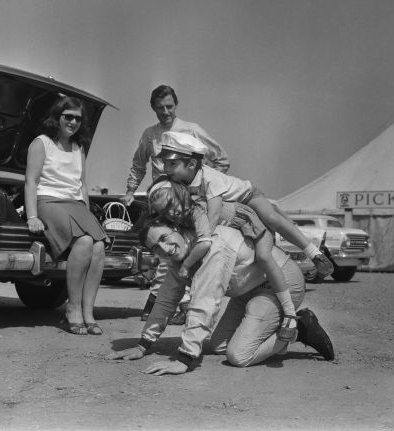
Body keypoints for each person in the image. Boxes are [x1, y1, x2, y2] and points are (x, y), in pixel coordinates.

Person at [156, 131, 334, 340]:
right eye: (165, 163)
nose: (165, 169)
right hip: (236, 216)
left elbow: (212, 219)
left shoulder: (209, 179)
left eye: (171, 164)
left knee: (269, 232)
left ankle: (310, 259)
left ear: (192, 165)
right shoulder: (180, 183)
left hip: (248, 198)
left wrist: (198, 245)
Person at [106, 214, 334, 375]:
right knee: (218, 346)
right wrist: (143, 345)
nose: (164, 249)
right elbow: (165, 300)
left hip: (281, 282)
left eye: (165, 238)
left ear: (178, 228)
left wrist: (185, 359)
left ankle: (300, 328)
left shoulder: (212, 245)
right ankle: (271, 325)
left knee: (239, 356)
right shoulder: (180, 257)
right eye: (156, 247)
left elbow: (204, 303)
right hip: (247, 291)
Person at [121, 85, 230, 324]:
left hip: (191, 203)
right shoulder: (150, 134)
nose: (166, 111)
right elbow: (139, 164)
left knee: (194, 250)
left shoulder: (192, 130)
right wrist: (130, 191)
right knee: (167, 252)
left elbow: (221, 158)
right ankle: (173, 305)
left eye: (169, 106)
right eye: (160, 108)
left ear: (176, 105)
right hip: (165, 204)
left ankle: (169, 305)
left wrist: (208, 187)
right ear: (153, 109)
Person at [25, 96, 107, 335]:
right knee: (83, 242)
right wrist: (32, 216)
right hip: (48, 201)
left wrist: (88, 214)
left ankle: (88, 311)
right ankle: (73, 308)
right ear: (57, 117)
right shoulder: (41, 143)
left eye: (77, 119)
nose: (73, 122)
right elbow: (31, 181)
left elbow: (82, 185)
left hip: (75, 204)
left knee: (99, 245)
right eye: (68, 117)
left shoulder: (79, 148)